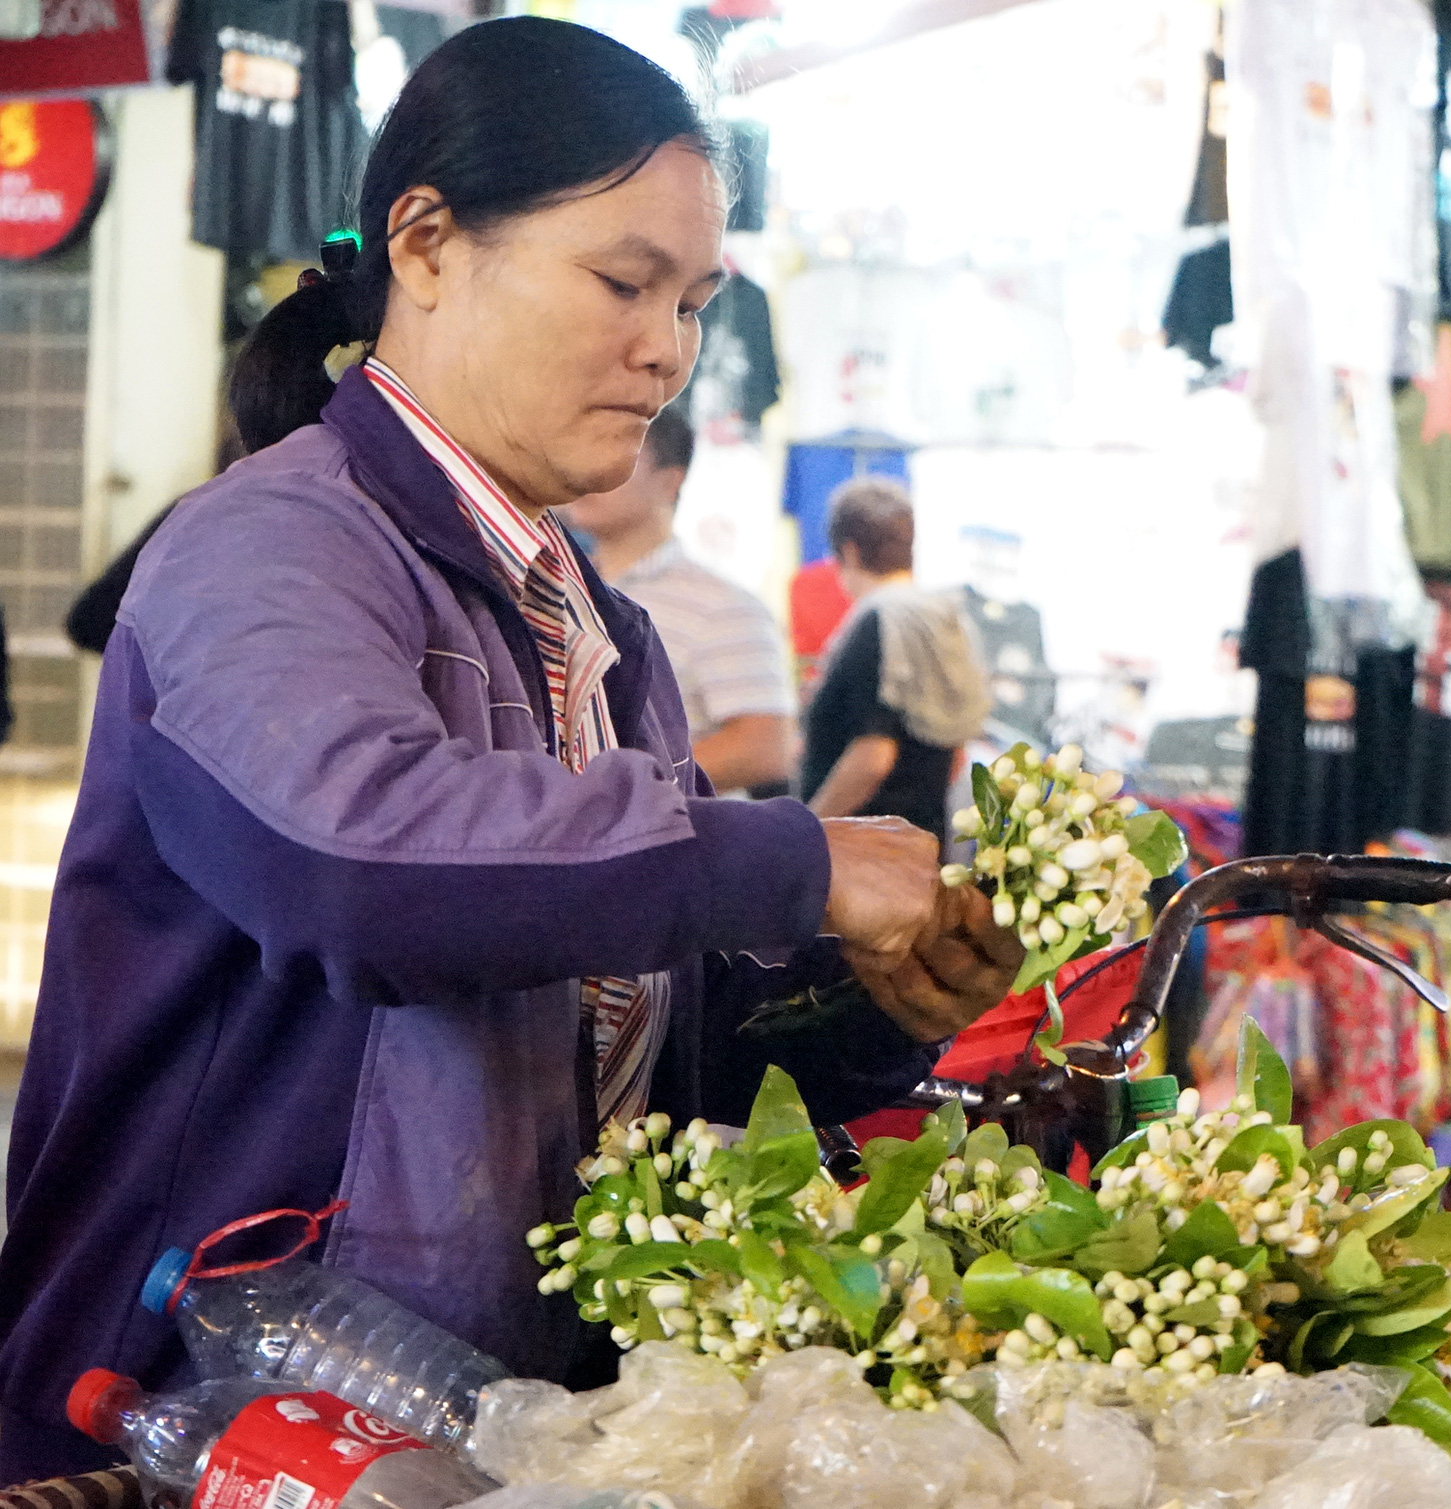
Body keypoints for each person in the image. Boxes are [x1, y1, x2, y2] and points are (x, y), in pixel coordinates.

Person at [0, 20, 1022, 1482]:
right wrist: (795, 858)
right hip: (185, 1425)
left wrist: (861, 996)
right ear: (425, 242)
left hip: (463, 1437)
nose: (665, 348)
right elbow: (358, 860)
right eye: (622, 281)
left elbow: (630, 1035)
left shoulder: (604, 632)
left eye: (694, 302)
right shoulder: (271, 543)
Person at [564, 409, 795, 795]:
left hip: (677, 841)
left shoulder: (723, 604)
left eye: (615, 455)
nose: (590, 474)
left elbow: (765, 747)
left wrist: (615, 792)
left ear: (671, 480)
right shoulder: (561, 584)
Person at [802, 479, 991, 842]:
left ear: (850, 551)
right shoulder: (948, 620)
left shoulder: (878, 622)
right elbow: (954, 752)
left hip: (863, 850)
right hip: (924, 839)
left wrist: (806, 832)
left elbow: (873, 756)